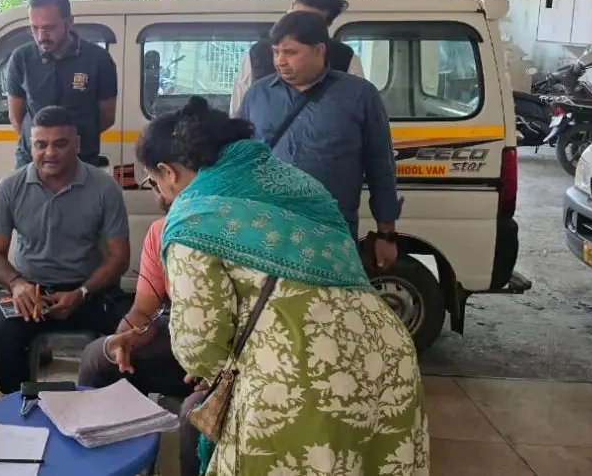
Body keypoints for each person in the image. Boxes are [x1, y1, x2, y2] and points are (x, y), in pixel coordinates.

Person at [139, 96, 428, 476]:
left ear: (168, 172)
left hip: (297, 374)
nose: (159, 194)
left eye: (153, 182)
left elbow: (199, 343)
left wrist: (213, 367)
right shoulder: (302, 186)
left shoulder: (191, 220)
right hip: (388, 360)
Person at [239, 10, 401, 269]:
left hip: (330, 234)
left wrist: (386, 234)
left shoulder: (359, 95)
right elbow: (239, 161)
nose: (280, 61)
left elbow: (380, 167)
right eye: (276, 52)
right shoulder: (257, 95)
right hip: (267, 230)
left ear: (319, 50)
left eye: (290, 52)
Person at [0, 105, 131, 393]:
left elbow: (119, 257)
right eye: (41, 144)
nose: (49, 153)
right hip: (32, 293)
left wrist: (82, 292)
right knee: (6, 341)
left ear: (77, 145)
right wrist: (17, 285)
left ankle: (108, 405)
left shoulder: (104, 187)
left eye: (60, 144)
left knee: (131, 330)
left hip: (89, 291)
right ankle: (22, 406)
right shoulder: (9, 187)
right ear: (30, 146)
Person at [77, 196, 192, 399]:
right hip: (181, 335)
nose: (157, 194)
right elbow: (143, 310)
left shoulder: (233, 229)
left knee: (195, 408)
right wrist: (124, 340)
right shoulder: (160, 231)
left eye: (156, 182)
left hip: (231, 353)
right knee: (98, 357)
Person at [3, 0, 118, 168]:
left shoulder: (98, 59)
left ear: (69, 22)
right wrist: (42, 147)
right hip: (31, 162)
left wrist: (69, 144)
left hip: (81, 162)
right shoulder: (21, 58)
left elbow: (107, 117)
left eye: (50, 28)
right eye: (35, 28)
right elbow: (16, 117)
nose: (42, 37)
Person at [229, 0, 363, 117]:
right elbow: (238, 113)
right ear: (291, 8)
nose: (281, 61)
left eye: (309, 23)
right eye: (295, 16)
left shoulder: (346, 58)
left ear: (327, 25)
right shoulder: (257, 55)